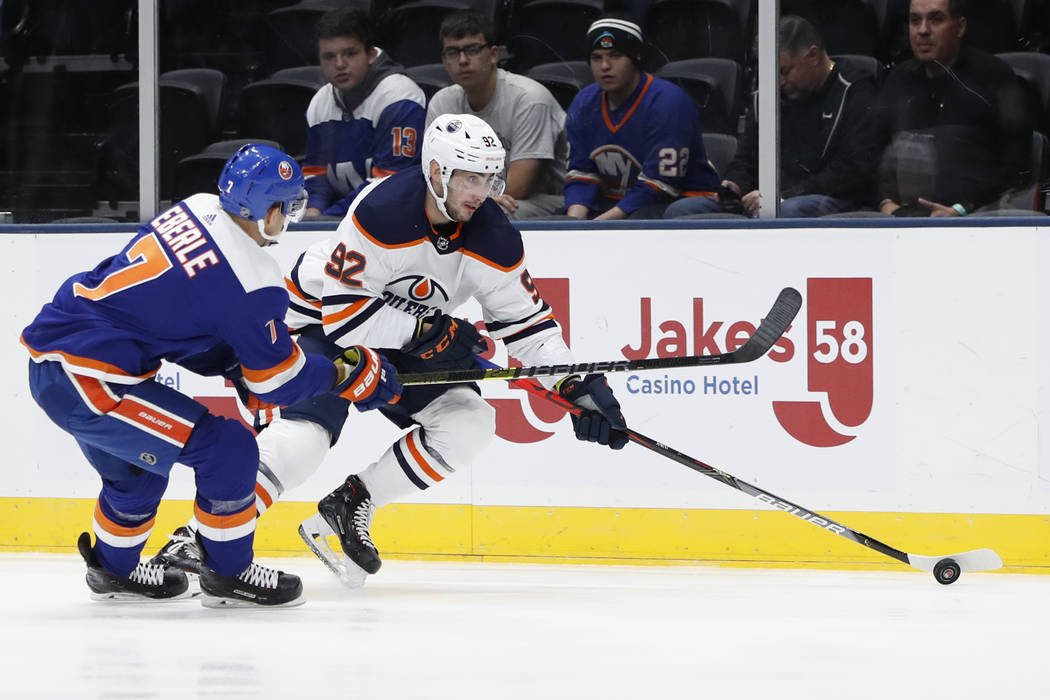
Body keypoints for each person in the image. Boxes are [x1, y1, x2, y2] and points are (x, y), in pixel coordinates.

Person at [156, 114, 630, 588]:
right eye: (469, 177)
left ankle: (352, 503)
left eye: (488, 178)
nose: (480, 192)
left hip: (400, 331)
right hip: (323, 321)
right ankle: (195, 538)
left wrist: (578, 385)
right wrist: (432, 333)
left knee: (470, 423)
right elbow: (347, 318)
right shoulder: (382, 211)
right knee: (304, 440)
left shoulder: (494, 236)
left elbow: (529, 326)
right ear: (437, 172)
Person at [21, 144, 402, 607]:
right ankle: (230, 572)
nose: (290, 219)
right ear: (265, 211)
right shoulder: (254, 279)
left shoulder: (194, 208)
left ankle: (114, 569)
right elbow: (279, 381)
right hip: (92, 378)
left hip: (58, 358)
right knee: (229, 449)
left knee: (136, 474)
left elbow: (175, 320)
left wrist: (234, 365)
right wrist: (346, 373)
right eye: (288, 206)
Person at [665, 15, 879, 219]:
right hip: (766, 199)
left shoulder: (854, 89)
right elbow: (746, 158)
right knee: (682, 210)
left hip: (830, 198)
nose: (779, 81)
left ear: (813, 55)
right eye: (772, 72)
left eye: (784, 71)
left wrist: (782, 195)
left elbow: (852, 170)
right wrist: (734, 185)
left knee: (789, 211)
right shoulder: (766, 96)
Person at [873, 0, 1031, 216]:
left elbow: (1018, 160)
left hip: (975, 216)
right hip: (900, 218)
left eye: (936, 19)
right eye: (915, 20)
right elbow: (870, 153)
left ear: (960, 27)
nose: (923, 31)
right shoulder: (897, 80)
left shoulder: (997, 76)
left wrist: (961, 209)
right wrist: (884, 202)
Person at [564, 17, 721, 220]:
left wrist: (596, 227)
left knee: (645, 218)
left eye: (615, 55)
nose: (604, 66)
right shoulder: (583, 102)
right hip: (616, 203)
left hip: (678, 200)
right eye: (596, 57)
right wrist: (575, 224)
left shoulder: (668, 102)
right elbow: (581, 174)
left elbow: (659, 185)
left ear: (636, 58)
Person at [426, 10, 568, 220]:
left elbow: (518, 187)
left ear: (494, 55)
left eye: (472, 50)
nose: (462, 60)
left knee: (492, 214)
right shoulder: (442, 103)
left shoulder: (528, 99)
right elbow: (433, 176)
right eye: (453, 52)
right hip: (482, 196)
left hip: (546, 201)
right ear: (445, 61)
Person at [303, 7, 426, 218]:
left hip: (397, 221)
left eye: (350, 53)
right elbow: (317, 174)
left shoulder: (400, 97)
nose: (339, 64)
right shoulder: (319, 103)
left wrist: (327, 219)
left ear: (370, 54)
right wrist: (313, 212)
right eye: (329, 56)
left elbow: (388, 186)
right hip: (340, 219)